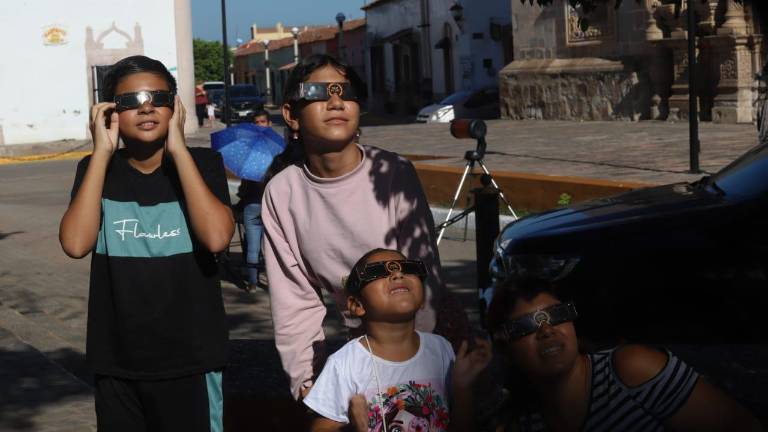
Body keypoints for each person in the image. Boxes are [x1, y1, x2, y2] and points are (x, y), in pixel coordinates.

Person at [261, 53, 468, 400]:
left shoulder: (393, 173)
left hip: (432, 343)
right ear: (291, 115)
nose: (336, 100)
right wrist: (306, 383)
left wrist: (408, 368)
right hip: (361, 349)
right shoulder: (282, 193)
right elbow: (294, 303)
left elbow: (424, 277)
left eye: (346, 90)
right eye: (318, 91)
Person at [59, 55, 234, 432]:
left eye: (159, 96)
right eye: (130, 100)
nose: (147, 106)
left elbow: (217, 237)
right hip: (117, 364)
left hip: (191, 361)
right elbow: (75, 243)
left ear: (176, 106)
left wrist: (180, 151)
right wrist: (101, 154)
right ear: (109, 113)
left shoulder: (202, 165)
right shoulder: (97, 171)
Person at [485, 279, 762, 432]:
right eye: (525, 326)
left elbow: (742, 427)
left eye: (558, 314)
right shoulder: (522, 423)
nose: (547, 330)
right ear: (506, 350)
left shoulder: (630, 370)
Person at [303, 248, 492, 432]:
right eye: (378, 271)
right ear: (357, 304)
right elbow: (321, 426)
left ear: (423, 297)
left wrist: (462, 387)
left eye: (408, 268)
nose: (397, 274)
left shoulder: (440, 348)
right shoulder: (344, 364)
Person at [235, 109, 275, 286]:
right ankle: (273, 281)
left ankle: (252, 281)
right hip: (270, 203)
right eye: (259, 122)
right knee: (272, 247)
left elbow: (243, 180)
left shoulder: (247, 150)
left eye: (262, 122)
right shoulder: (276, 149)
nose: (260, 125)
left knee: (253, 246)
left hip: (251, 202)